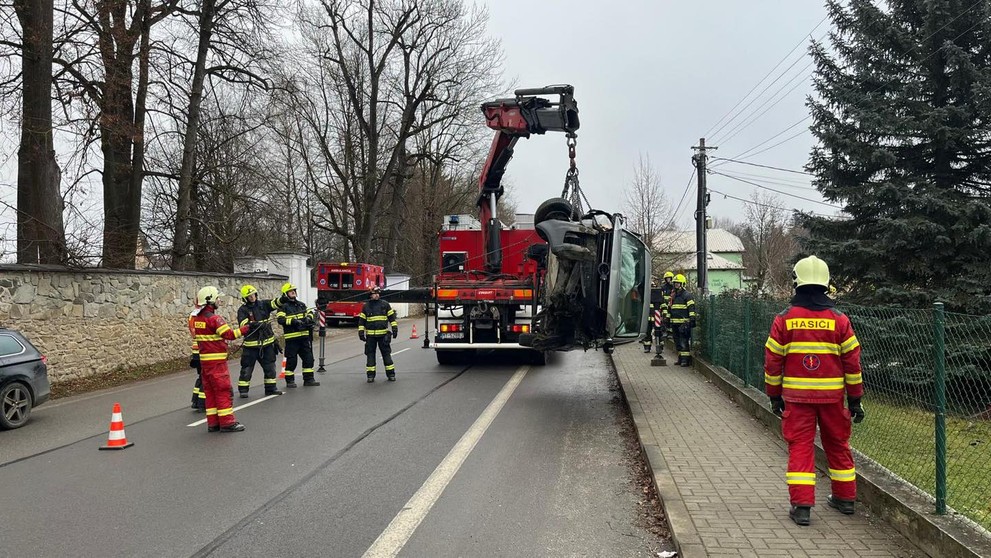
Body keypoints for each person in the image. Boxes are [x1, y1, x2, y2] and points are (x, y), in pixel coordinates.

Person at [764, 255, 865, 526]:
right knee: (838, 445)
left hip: (797, 400)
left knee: (801, 448)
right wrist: (855, 398)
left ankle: (802, 507)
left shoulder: (784, 319)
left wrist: (774, 395)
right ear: (826, 283)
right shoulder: (839, 320)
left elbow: (773, 362)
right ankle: (845, 499)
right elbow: (852, 363)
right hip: (833, 399)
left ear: (796, 282)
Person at [192, 286, 257, 432]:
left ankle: (213, 423)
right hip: (217, 364)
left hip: (205, 363)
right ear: (210, 300)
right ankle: (227, 423)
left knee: (210, 393)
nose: (219, 301)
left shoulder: (198, 319)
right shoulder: (215, 319)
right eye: (217, 298)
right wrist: (247, 328)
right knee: (223, 391)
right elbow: (229, 334)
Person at [235, 284, 284, 398]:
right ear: (245, 298)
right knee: (247, 369)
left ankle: (271, 389)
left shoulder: (263, 304)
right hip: (251, 347)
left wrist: (284, 298)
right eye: (249, 296)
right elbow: (243, 324)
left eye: (253, 294)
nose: (252, 297)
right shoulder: (242, 310)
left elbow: (275, 303)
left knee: (270, 368)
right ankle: (243, 390)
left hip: (267, 345)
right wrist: (255, 324)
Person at [276, 282, 320, 388]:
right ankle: (290, 381)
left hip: (304, 338)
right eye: (291, 291)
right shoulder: (283, 307)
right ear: (285, 294)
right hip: (292, 339)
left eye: (294, 290)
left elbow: (309, 313)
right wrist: (293, 321)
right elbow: (281, 319)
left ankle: (309, 379)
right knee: (292, 361)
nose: (293, 292)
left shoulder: (301, 304)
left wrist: (309, 318)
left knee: (308, 359)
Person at [358, 286, 398, 382]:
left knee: (386, 355)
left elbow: (392, 319)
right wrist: (361, 332)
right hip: (370, 336)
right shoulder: (366, 306)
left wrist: (395, 329)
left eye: (378, 293)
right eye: (374, 293)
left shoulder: (385, 304)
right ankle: (370, 376)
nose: (377, 295)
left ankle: (391, 374)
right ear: (370, 295)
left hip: (383, 336)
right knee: (370, 355)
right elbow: (361, 321)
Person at [666, 274, 696, 366]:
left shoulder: (687, 295)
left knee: (683, 342)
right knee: (677, 342)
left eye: (678, 283)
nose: (676, 285)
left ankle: (685, 360)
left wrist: (692, 319)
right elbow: (669, 308)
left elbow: (691, 308)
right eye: (675, 283)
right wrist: (667, 318)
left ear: (682, 284)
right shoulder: (673, 295)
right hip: (674, 323)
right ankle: (680, 358)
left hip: (683, 323)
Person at [187, 303, 206, 412]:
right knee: (206, 377)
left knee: (201, 376)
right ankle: (202, 403)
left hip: (196, 351)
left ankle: (195, 401)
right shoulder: (201, 316)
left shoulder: (193, 315)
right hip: (203, 351)